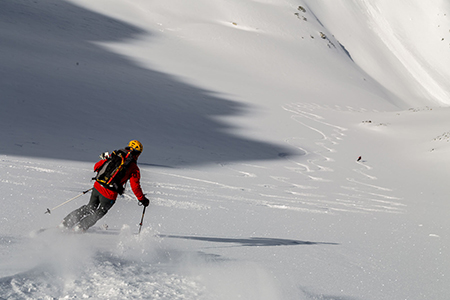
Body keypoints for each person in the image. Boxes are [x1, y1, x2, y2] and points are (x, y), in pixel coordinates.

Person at [61, 140, 150, 232]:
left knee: (89, 207)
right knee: (99, 212)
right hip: (109, 195)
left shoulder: (115, 155)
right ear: (137, 153)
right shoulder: (134, 168)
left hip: (97, 187)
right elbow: (135, 186)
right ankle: (80, 227)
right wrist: (142, 199)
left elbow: (96, 167)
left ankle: (66, 222)